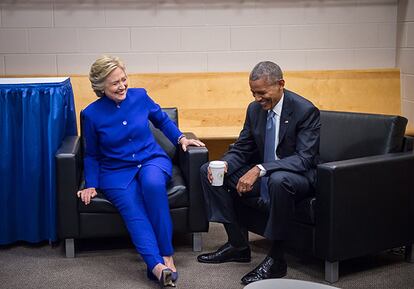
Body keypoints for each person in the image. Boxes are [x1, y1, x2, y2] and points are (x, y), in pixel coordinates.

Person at [77, 55, 205, 288]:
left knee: (153, 185)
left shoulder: (140, 96)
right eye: (115, 83)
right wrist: (91, 183)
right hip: (115, 172)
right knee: (134, 212)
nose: (122, 86)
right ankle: (157, 267)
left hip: (150, 160)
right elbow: (91, 154)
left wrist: (181, 138)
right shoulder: (91, 114)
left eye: (124, 79)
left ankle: (166, 254)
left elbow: (162, 120)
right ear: (100, 86)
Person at [197, 61, 320, 285]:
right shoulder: (255, 110)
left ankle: (277, 259)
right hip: (267, 174)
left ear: (280, 84)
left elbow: (305, 159)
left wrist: (260, 169)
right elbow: (243, 147)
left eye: (262, 93)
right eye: (253, 93)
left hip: (298, 176)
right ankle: (237, 245)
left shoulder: (305, 111)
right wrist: (225, 164)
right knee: (210, 170)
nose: (257, 98)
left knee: (278, 180)